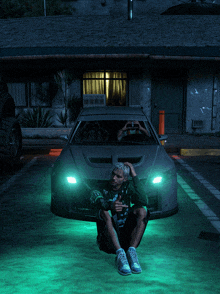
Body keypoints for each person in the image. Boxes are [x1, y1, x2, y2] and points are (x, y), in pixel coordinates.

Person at [90, 162, 150, 276]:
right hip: (107, 241)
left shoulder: (128, 186)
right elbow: (99, 201)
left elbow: (143, 200)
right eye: (113, 174)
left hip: (126, 237)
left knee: (142, 210)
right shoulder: (100, 187)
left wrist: (134, 175)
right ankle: (120, 255)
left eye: (119, 176)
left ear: (125, 179)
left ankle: (131, 252)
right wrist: (110, 206)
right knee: (104, 212)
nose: (114, 178)